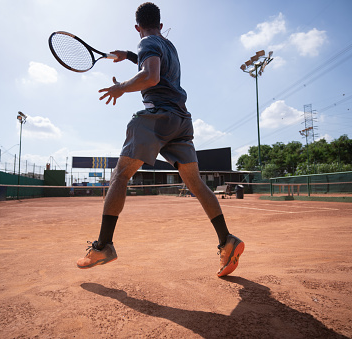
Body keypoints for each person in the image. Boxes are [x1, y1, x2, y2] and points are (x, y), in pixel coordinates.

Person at [76, 2, 244, 277]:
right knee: (197, 184)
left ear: (137, 27)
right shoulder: (169, 46)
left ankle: (103, 246)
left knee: (120, 175)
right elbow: (155, 63)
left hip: (158, 117)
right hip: (181, 120)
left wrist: (121, 88)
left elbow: (151, 77)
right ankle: (227, 241)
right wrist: (129, 54)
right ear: (161, 25)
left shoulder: (148, 43)